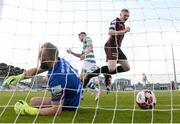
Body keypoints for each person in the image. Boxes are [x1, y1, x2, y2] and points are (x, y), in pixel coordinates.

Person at [2, 42, 82, 115]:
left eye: (43, 59)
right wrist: (19, 77)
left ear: (49, 59)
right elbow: (36, 70)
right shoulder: (58, 60)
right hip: (75, 93)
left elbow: (56, 110)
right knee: (34, 101)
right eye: (40, 57)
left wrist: (31, 111)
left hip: (71, 103)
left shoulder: (56, 79)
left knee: (34, 102)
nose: (40, 60)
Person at [83, 9, 131, 88]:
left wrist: (124, 30)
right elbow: (110, 32)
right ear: (120, 14)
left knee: (127, 67)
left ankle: (106, 72)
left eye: (128, 16)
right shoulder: (115, 21)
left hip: (118, 48)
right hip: (111, 46)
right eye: (125, 15)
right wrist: (123, 31)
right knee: (111, 69)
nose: (126, 17)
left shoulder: (123, 24)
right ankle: (89, 76)